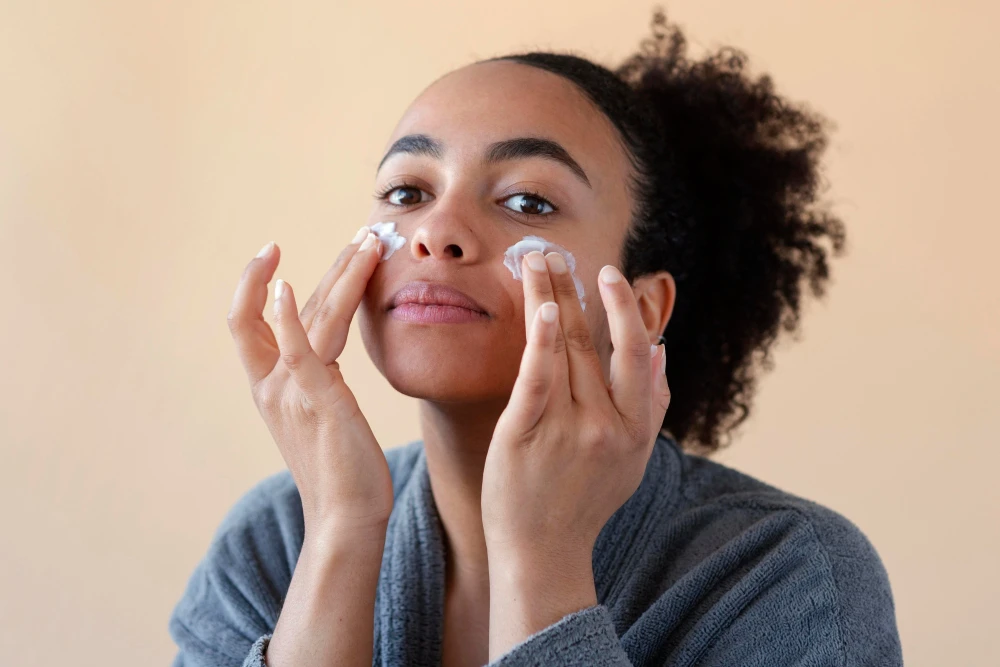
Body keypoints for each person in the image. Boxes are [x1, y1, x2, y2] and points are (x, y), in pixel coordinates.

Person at [169, 10, 902, 666]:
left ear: (643, 309)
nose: (437, 233)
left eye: (527, 200)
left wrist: (541, 559)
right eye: (408, 192)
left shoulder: (783, 573)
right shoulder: (272, 544)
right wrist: (340, 530)